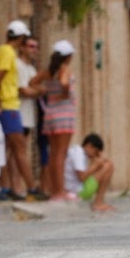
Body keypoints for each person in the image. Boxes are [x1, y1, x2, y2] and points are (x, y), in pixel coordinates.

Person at [0, 20, 36, 199]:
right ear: (21, 38)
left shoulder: (1, 51)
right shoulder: (8, 54)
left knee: (7, 149)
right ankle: (32, 188)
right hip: (9, 105)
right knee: (20, 149)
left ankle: (6, 187)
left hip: (7, 105)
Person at [37, 40, 79, 199]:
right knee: (61, 154)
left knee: (53, 153)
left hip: (50, 113)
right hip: (64, 114)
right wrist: (66, 92)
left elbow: (32, 82)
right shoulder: (65, 69)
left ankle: (54, 190)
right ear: (68, 57)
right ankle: (60, 191)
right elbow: (64, 83)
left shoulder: (48, 71)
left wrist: (45, 91)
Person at [17, 34, 47, 199]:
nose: (34, 49)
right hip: (19, 114)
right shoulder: (19, 65)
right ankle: (16, 187)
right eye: (31, 46)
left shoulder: (31, 69)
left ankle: (18, 187)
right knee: (15, 152)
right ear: (22, 47)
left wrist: (36, 90)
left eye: (36, 46)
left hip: (28, 116)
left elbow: (33, 89)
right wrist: (39, 90)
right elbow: (24, 90)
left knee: (21, 151)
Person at [65, 132, 117, 213]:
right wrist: (96, 166)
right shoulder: (78, 153)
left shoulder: (80, 153)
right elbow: (82, 177)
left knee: (107, 164)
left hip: (77, 188)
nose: (94, 156)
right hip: (78, 191)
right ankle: (98, 203)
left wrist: (97, 164)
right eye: (95, 152)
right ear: (89, 146)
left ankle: (99, 202)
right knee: (109, 166)